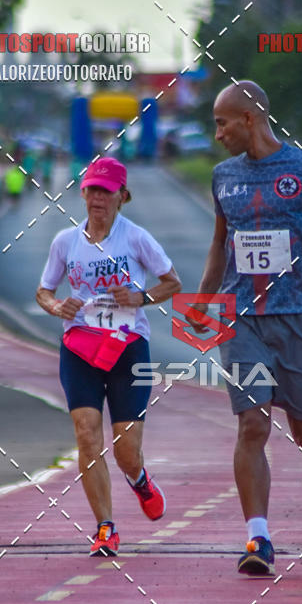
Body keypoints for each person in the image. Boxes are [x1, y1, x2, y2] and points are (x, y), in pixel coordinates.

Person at [190, 81, 302, 577]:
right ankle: (258, 538)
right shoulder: (223, 176)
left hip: (301, 315)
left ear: (250, 119)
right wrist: (205, 300)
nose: (218, 134)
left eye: (222, 123)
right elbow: (219, 243)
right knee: (252, 423)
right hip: (244, 318)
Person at [36, 156, 181, 556]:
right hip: (80, 346)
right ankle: (105, 528)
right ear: (82, 193)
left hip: (128, 348)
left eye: (106, 191)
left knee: (125, 450)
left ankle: (140, 481)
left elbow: (173, 282)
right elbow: (44, 290)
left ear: (122, 196)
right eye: (91, 190)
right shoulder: (65, 242)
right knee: (86, 435)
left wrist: (141, 297)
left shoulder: (136, 239)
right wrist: (55, 307)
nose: (98, 198)